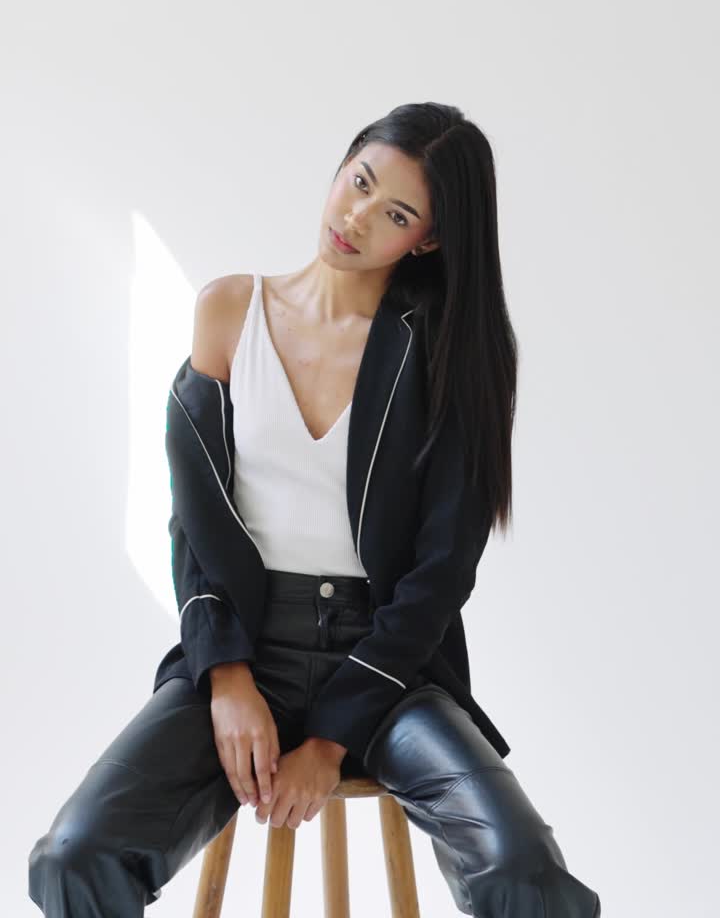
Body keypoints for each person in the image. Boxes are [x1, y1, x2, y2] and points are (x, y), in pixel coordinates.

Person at [28, 102, 601, 915]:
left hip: (390, 664)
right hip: (243, 646)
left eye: (396, 213)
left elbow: (440, 575)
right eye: (359, 182)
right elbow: (193, 522)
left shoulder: (447, 354)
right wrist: (226, 679)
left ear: (427, 240)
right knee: (72, 857)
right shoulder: (229, 312)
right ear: (340, 168)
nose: (357, 217)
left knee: (526, 874)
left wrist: (331, 738)